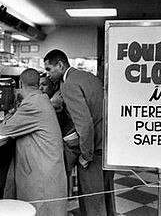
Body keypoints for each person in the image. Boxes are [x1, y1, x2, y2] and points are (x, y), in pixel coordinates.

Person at [44, 49, 116, 216]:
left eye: (49, 69)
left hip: (93, 150)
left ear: (60, 65)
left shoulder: (68, 84)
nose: (47, 75)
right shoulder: (88, 77)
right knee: (106, 198)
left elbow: (85, 125)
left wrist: (86, 155)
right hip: (107, 146)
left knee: (92, 203)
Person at [0, 68, 67, 216]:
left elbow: (6, 129)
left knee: (40, 210)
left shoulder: (32, 104)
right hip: (47, 168)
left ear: (20, 83)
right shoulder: (41, 98)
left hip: (42, 174)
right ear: (38, 84)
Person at [39, 73, 76, 196]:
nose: (41, 88)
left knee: (65, 169)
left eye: (44, 85)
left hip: (67, 139)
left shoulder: (57, 98)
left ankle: (66, 195)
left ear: (53, 86)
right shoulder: (50, 98)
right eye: (39, 85)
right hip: (65, 138)